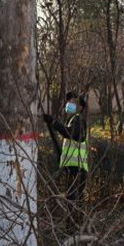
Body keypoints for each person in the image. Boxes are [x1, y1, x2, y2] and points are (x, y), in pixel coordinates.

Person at [44, 96, 89, 229]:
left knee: (75, 199)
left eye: (73, 102)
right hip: (72, 167)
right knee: (71, 199)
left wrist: (54, 123)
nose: (69, 104)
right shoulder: (71, 121)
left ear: (80, 107)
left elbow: (72, 135)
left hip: (77, 168)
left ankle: (75, 228)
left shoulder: (79, 120)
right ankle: (72, 227)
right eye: (69, 101)